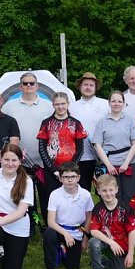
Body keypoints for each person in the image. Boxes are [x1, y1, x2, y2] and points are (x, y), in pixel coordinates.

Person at [36, 92, 88, 220]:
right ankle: (51, 226)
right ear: (53, 105)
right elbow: (42, 149)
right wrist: (54, 171)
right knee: (51, 198)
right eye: (57, 104)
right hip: (51, 170)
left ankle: (73, 223)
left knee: (72, 198)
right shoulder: (46, 123)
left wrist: (70, 169)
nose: (60, 107)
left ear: (68, 104)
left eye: (63, 103)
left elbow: (80, 149)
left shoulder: (76, 123)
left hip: (71, 170)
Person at [42, 162, 94, 269]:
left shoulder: (85, 195)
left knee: (72, 267)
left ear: (78, 178)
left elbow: (88, 219)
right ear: (60, 178)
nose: (69, 180)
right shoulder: (55, 195)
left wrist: (85, 240)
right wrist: (65, 234)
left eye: (73, 177)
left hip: (77, 231)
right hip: (59, 230)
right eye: (66, 177)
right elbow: (50, 221)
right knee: (49, 234)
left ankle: (62, 250)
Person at [92, 90, 135, 205]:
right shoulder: (102, 122)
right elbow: (97, 145)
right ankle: (114, 221)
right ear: (109, 103)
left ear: (124, 104)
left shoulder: (130, 120)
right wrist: (108, 165)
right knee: (113, 196)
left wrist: (126, 163)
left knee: (130, 195)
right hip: (110, 163)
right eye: (113, 101)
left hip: (129, 162)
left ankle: (130, 221)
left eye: (119, 101)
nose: (116, 104)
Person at [88, 174, 135, 269]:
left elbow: (132, 231)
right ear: (98, 192)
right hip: (106, 242)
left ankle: (104, 258)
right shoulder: (97, 208)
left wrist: (130, 254)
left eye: (111, 190)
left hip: (121, 246)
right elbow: (94, 231)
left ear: (116, 189)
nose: (108, 193)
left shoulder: (126, 207)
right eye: (104, 191)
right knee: (93, 242)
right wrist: (111, 243)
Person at [1, 71, 53, 174]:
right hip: (17, 160)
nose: (28, 85)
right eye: (25, 83)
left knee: (45, 190)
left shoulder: (49, 106)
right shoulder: (8, 106)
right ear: (20, 87)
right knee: (21, 189)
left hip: (45, 159)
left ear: (37, 86)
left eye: (32, 83)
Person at [69, 72, 109, 192]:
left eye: (91, 85)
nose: (88, 87)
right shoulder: (72, 107)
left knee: (105, 189)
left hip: (102, 155)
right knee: (82, 190)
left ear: (95, 87)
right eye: (85, 84)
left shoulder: (105, 104)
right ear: (80, 87)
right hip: (82, 156)